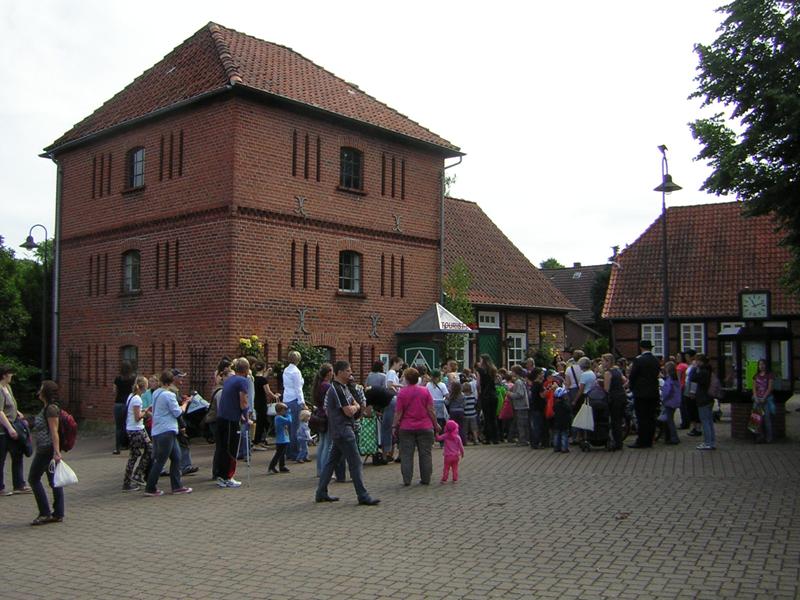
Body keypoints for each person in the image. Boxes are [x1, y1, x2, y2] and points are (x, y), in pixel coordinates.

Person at [315, 361, 380, 505]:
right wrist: (356, 407)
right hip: (344, 430)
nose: (351, 373)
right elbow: (349, 410)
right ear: (340, 373)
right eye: (348, 371)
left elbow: (354, 403)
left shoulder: (343, 388)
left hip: (340, 430)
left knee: (331, 462)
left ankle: (321, 492)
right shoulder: (337, 389)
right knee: (355, 462)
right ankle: (362, 495)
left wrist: (355, 406)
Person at [144, 370, 193, 496]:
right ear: (171, 382)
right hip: (166, 430)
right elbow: (178, 412)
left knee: (176, 457)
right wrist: (185, 403)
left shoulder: (156, 393)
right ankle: (150, 487)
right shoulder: (169, 395)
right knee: (160, 460)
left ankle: (177, 486)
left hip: (158, 429)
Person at [392, 367, 441, 486]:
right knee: (425, 454)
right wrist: (436, 424)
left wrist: (394, 426)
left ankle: (407, 480)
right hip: (425, 426)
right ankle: (426, 479)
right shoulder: (425, 391)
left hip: (406, 427)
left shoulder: (402, 393)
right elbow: (431, 410)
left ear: (406, 379)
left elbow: (398, 412)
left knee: (406, 454)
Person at [28, 381, 64, 525]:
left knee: (33, 478)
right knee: (54, 480)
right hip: (46, 448)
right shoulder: (46, 408)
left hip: (46, 449)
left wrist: (56, 452)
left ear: (46, 392)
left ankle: (45, 513)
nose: (39, 391)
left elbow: (54, 432)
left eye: (41, 389)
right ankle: (58, 513)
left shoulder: (51, 409)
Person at [214, 357, 249, 488]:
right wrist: (246, 415)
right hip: (231, 419)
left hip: (221, 417)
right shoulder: (242, 381)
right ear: (246, 369)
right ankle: (227, 476)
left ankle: (220, 475)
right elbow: (243, 401)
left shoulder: (229, 379)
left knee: (222, 447)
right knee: (231, 448)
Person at [311, 363, 344, 481]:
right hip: (327, 416)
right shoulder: (328, 386)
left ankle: (320, 470)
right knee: (328, 445)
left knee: (322, 443)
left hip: (320, 415)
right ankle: (326, 471)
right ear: (329, 373)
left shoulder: (319, 385)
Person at [0, 365, 30, 495]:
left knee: (17, 454)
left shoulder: (8, 387)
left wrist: (17, 412)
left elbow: (11, 405)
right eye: (10, 373)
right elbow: (0, 412)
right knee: (1, 458)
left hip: (14, 425)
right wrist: (10, 428)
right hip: (3, 430)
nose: (12, 375)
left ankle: (19, 485)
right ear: (4, 375)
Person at [627, 340, 661, 449]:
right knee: (651, 417)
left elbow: (633, 376)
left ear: (641, 348)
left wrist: (632, 388)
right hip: (653, 392)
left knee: (641, 417)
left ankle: (641, 441)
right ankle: (649, 440)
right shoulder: (656, 360)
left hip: (641, 393)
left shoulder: (639, 360)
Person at [122, 375, 153, 492]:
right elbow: (137, 417)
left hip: (133, 428)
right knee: (148, 450)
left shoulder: (131, 396)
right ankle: (137, 474)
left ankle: (129, 480)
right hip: (136, 429)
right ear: (143, 386)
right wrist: (146, 411)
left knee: (135, 454)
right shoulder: (137, 399)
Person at [601, 354, 628, 451]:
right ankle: (619, 441)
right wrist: (621, 388)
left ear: (608, 362)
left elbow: (606, 389)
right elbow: (626, 381)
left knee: (614, 421)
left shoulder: (607, 373)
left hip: (614, 399)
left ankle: (617, 443)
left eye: (603, 361)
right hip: (622, 397)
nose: (602, 363)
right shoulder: (617, 370)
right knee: (619, 420)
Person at [283, 350, 306, 460]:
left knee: (288, 426)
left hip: (286, 398)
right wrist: (302, 402)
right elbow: (298, 389)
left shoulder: (286, 370)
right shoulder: (296, 372)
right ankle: (294, 452)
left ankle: (288, 451)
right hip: (294, 399)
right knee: (295, 427)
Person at [691, 354, 715, 450]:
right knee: (709, 421)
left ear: (701, 362)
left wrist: (694, 368)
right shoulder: (708, 370)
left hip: (703, 399)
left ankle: (707, 442)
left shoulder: (702, 372)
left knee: (705, 421)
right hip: (709, 398)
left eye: (697, 361)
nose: (695, 362)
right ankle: (712, 442)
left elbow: (693, 378)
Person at [113, 360, 136, 454]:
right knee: (128, 424)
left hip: (118, 403)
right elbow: (134, 390)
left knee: (119, 427)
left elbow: (114, 391)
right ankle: (128, 444)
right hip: (128, 403)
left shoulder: (118, 378)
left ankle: (117, 447)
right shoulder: (133, 378)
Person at [476, 355, 499, 444]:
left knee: (487, 417)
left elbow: (478, 384)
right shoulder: (493, 370)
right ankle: (495, 438)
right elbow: (496, 381)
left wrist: (479, 393)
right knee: (493, 417)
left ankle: (488, 438)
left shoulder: (480, 371)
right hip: (493, 394)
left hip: (485, 395)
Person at [752, 359, 775, 443]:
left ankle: (769, 437)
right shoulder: (756, 376)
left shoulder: (769, 375)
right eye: (760, 364)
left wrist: (764, 397)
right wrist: (755, 397)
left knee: (767, 419)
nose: (761, 366)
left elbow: (770, 388)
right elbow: (754, 388)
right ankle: (759, 436)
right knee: (756, 419)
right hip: (757, 400)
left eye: (763, 364)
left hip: (766, 400)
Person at [660, 361, 681, 445]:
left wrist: (663, 398)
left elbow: (667, 391)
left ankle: (674, 438)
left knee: (669, 421)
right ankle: (673, 437)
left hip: (669, 401)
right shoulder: (675, 378)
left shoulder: (669, 379)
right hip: (675, 401)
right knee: (670, 419)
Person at [508, 365, 529, 446]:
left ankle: (523, 440)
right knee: (522, 424)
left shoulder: (518, 382)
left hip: (521, 406)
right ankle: (524, 439)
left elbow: (520, 394)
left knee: (521, 424)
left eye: (512, 371)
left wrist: (510, 394)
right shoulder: (521, 381)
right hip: (522, 405)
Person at [268, 403, 291, 473]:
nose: (286, 411)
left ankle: (282, 466)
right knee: (278, 454)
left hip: (284, 439)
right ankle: (271, 467)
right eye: (285, 410)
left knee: (282, 454)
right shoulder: (278, 418)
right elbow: (289, 421)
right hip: (281, 440)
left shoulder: (279, 417)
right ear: (281, 410)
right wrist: (289, 414)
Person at [528, 367, 547, 449]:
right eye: (542, 373)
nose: (543, 375)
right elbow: (542, 395)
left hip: (534, 407)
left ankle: (535, 442)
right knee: (537, 425)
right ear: (538, 375)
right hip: (538, 407)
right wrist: (549, 389)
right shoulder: (539, 384)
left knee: (536, 425)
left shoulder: (534, 384)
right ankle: (536, 443)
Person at [552, 387, 572, 453]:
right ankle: (564, 448)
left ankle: (556, 447)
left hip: (556, 422)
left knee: (556, 434)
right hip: (564, 422)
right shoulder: (565, 405)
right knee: (564, 434)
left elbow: (554, 410)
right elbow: (569, 410)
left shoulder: (555, 405)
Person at [446, 379, 466, 444]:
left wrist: (446, 399)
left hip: (453, 412)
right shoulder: (462, 395)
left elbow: (447, 403)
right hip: (461, 411)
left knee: (453, 427)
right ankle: (463, 440)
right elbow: (464, 404)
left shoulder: (451, 395)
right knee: (461, 427)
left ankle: (453, 440)